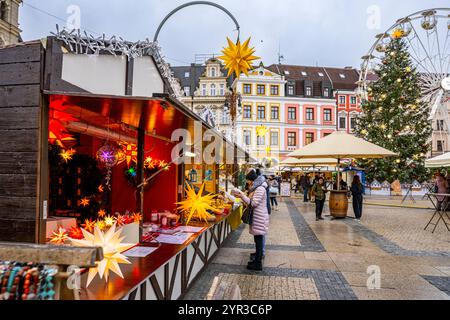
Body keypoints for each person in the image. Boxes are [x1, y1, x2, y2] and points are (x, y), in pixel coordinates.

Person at [234, 169, 270, 271]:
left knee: (258, 240)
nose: (247, 182)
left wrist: (242, 195)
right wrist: (242, 197)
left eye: (248, 180)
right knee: (257, 239)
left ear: (252, 180)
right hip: (257, 217)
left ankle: (257, 264)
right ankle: (257, 259)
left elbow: (253, 203)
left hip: (259, 217)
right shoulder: (256, 188)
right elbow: (250, 202)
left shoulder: (260, 189)